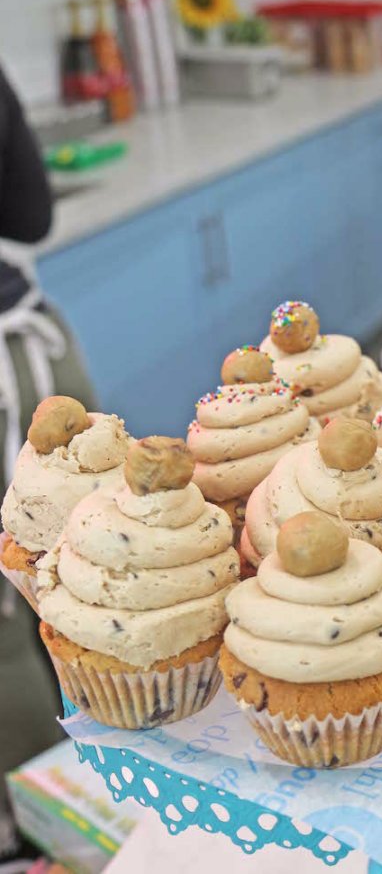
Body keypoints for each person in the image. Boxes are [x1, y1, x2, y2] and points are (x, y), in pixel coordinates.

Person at [0, 63, 97, 861]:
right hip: (25, 355)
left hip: (16, 369)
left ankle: (41, 834)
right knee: (75, 565)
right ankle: (99, 787)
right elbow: (28, 213)